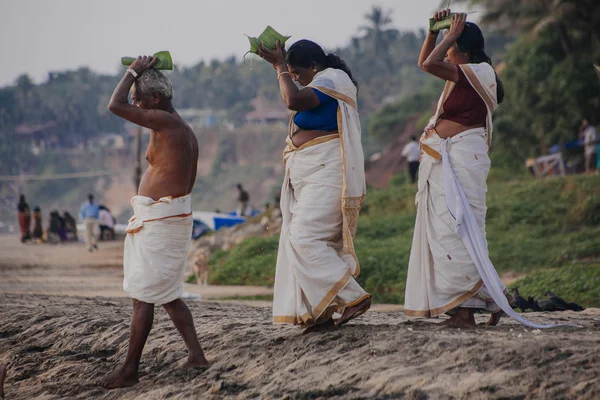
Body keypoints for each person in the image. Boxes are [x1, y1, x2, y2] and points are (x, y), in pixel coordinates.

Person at [404, 10, 563, 330]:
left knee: (456, 231)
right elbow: (427, 62)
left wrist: (446, 36)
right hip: (449, 161)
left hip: (462, 158)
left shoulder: (479, 72)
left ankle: (464, 313)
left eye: (451, 46)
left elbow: (429, 64)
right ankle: (492, 298)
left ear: (460, 47)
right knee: (456, 232)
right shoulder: (465, 73)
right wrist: (433, 33)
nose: (447, 52)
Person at [101, 55, 208, 389]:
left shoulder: (168, 124)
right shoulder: (174, 124)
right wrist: (138, 75)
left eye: (140, 97)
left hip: (163, 221)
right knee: (167, 294)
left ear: (156, 100)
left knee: (144, 296)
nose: (134, 102)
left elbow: (114, 105)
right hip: (164, 218)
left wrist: (132, 71)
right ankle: (196, 355)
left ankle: (130, 369)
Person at [258, 39, 371, 333]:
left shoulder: (334, 80)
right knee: (304, 241)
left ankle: (352, 297)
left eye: (298, 73)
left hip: (327, 173)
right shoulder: (321, 82)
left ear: (314, 66)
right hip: (309, 175)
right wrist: (280, 66)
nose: (295, 79)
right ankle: (319, 313)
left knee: (304, 238)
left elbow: (292, 101)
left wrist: (280, 66)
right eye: (292, 74)